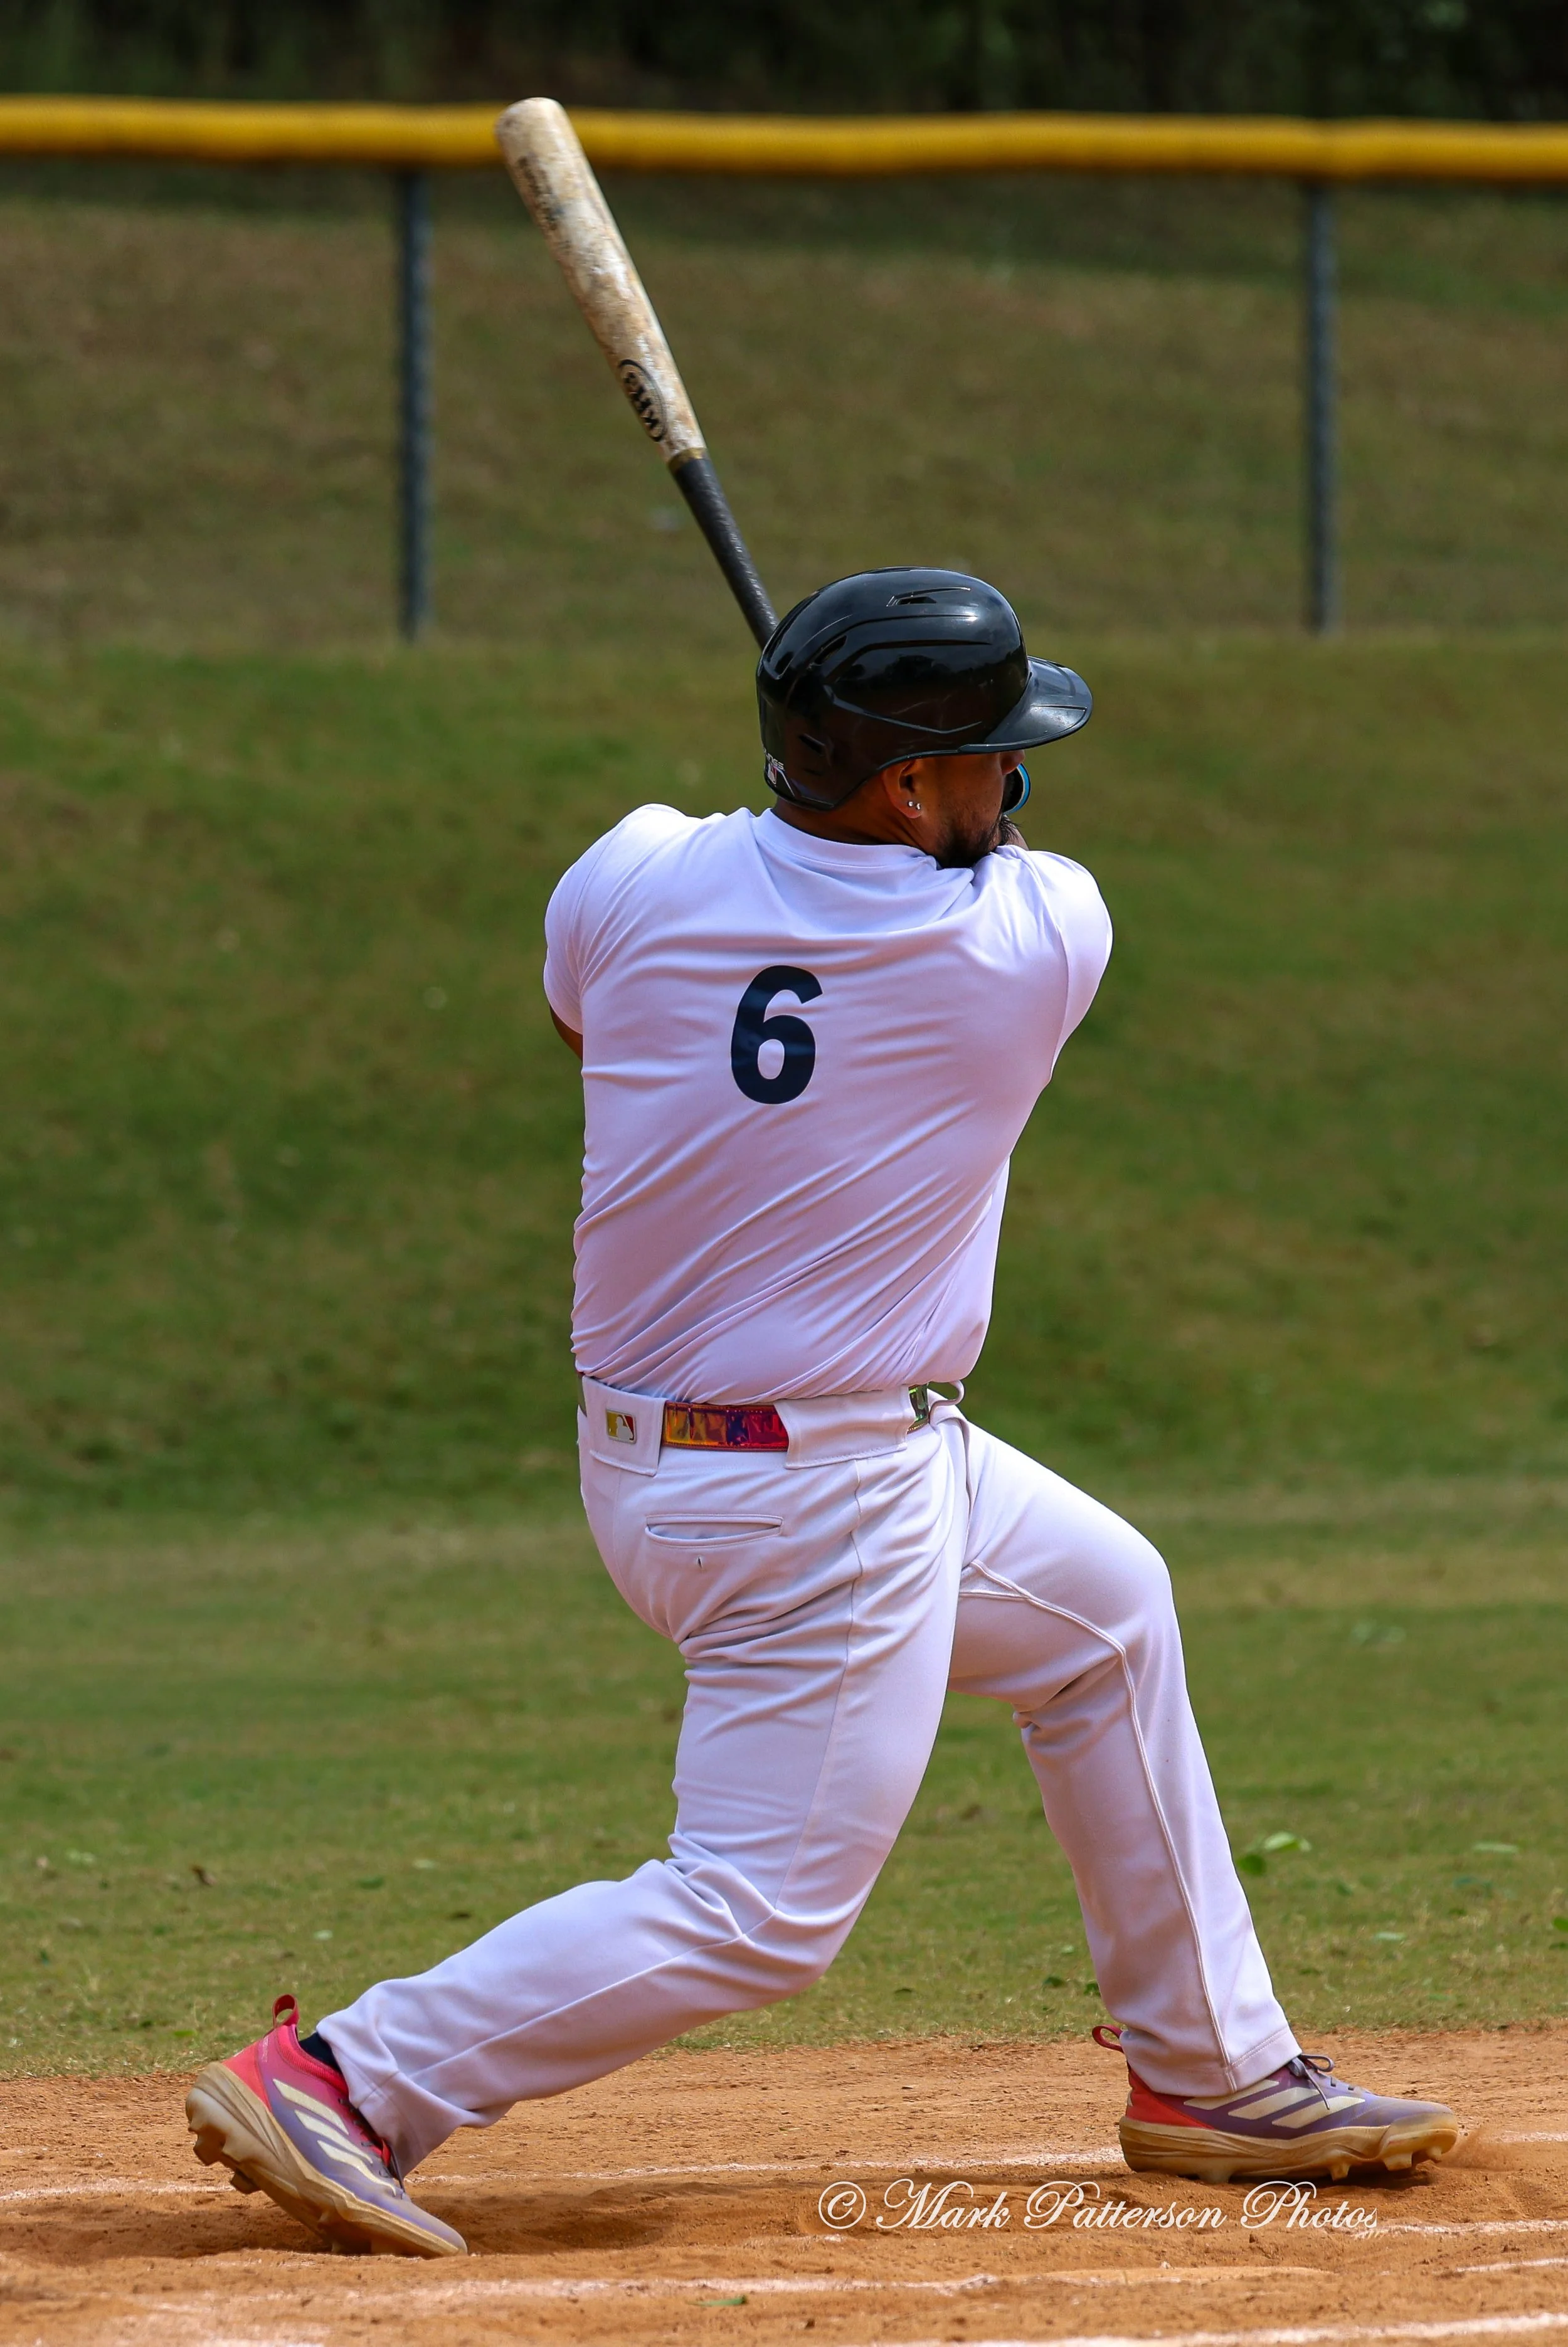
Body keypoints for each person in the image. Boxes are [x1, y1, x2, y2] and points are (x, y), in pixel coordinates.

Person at [185, 568, 1458, 2257]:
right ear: (905, 779)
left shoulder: (627, 869)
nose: (1015, 781)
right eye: (987, 753)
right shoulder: (1029, 937)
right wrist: (866, 829)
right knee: (762, 1908)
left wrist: (816, 810)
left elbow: (595, 1006)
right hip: (815, 1496)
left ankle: (1208, 2071)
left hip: (694, 1456)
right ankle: (349, 2073)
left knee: (1099, 1612)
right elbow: (942, 896)